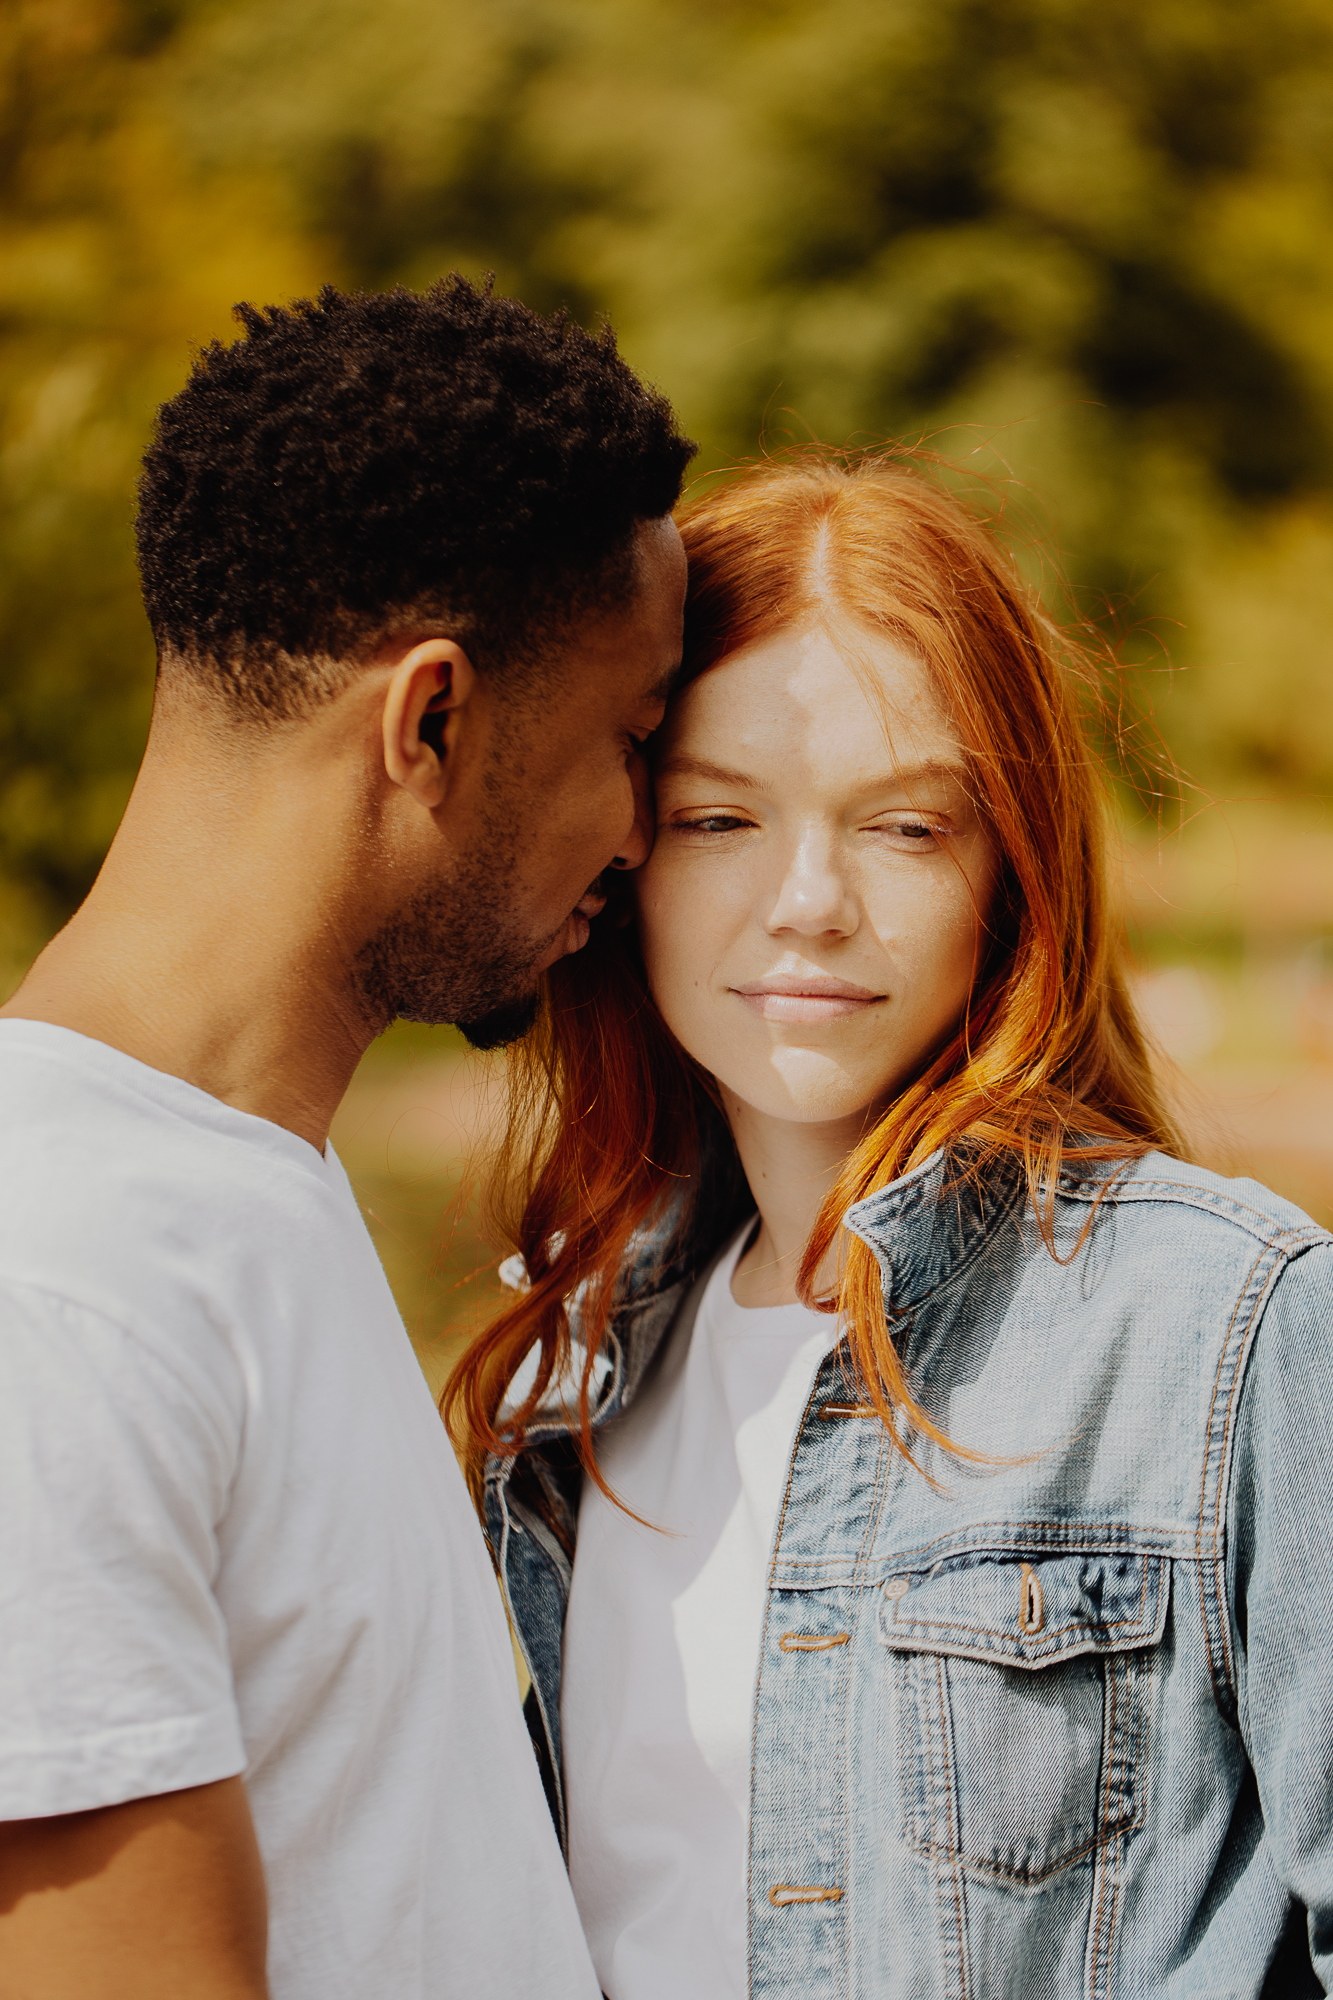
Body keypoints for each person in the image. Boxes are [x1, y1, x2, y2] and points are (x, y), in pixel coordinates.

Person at [449, 450, 1333, 1999]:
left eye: (906, 827)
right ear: (622, 853)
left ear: (1011, 866)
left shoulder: (1230, 1324)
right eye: (721, 819)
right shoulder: (572, 1367)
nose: (807, 901)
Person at [0, 276, 692, 1999]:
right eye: (631, 738)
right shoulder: (60, 1279)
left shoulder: (234, 1194)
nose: (642, 831)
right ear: (432, 718)